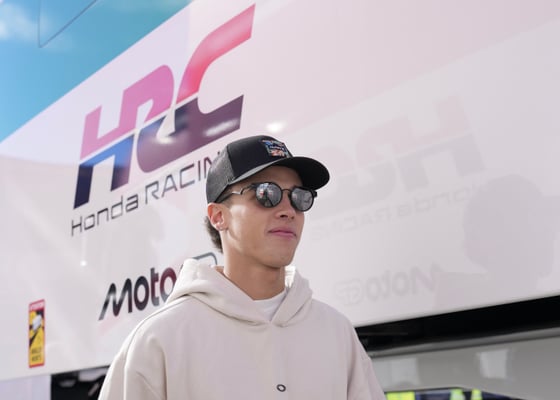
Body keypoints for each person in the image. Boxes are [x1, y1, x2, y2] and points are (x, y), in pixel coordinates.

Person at [98, 134, 387, 400]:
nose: (288, 210)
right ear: (218, 216)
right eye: (266, 193)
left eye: (300, 197)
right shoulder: (160, 340)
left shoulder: (335, 332)